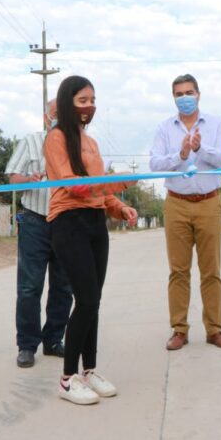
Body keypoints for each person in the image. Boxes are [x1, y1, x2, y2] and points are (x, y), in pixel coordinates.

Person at [44, 75, 138, 405]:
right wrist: (116, 184)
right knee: (84, 299)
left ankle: (89, 371)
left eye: (92, 100)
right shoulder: (56, 138)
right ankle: (68, 379)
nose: (89, 106)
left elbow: (97, 192)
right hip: (68, 220)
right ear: (68, 102)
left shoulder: (91, 142)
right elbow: (75, 185)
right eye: (83, 100)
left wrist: (119, 205)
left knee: (93, 299)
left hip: (96, 221)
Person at [150, 74, 221, 351]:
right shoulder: (164, 128)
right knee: (178, 271)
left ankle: (214, 329)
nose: (184, 97)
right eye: (178, 93)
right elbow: (156, 165)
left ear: (199, 94)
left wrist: (200, 148)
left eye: (189, 92)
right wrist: (182, 155)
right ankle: (179, 330)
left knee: (211, 270)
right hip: (176, 203)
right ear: (173, 97)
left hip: (209, 202)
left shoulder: (215, 124)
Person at [5, 98, 72, 368]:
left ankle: (54, 340)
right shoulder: (31, 142)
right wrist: (28, 178)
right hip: (35, 222)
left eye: (64, 113)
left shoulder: (77, 145)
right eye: (56, 114)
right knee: (30, 286)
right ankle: (27, 345)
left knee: (63, 286)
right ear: (46, 118)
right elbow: (12, 177)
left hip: (67, 222)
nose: (59, 118)